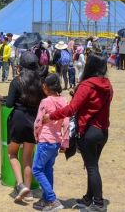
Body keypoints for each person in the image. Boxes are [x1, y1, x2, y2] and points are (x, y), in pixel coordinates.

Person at [44, 54, 113, 211]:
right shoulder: (107, 84)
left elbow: (71, 108)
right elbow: (95, 103)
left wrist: (51, 116)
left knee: (92, 167)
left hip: (89, 131)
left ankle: (98, 203)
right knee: (92, 165)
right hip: (102, 131)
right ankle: (89, 198)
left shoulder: (87, 85)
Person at [5, 52, 44, 202]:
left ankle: (20, 185)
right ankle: (28, 192)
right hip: (34, 120)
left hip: (18, 119)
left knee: (12, 154)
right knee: (28, 157)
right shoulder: (41, 82)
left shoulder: (16, 81)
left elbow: (9, 104)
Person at [32, 74, 69, 211]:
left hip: (45, 140)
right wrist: (65, 142)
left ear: (46, 87)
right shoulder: (64, 101)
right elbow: (66, 122)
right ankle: (46, 199)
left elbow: (38, 122)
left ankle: (52, 199)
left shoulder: (46, 101)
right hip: (56, 142)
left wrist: (36, 135)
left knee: (37, 169)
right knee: (48, 170)